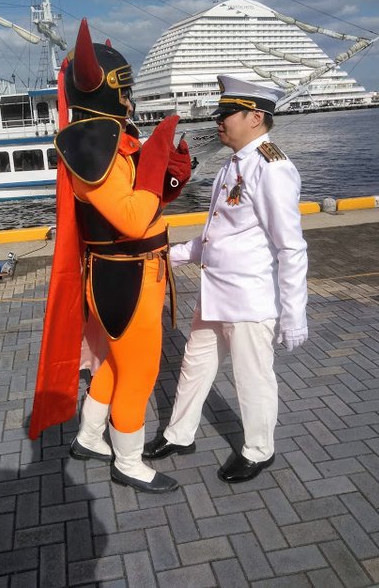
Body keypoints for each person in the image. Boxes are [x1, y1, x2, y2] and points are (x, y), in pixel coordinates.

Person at [29, 18, 191, 494]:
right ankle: (129, 461)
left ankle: (88, 437)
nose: (129, 100)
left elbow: (145, 201)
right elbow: (133, 219)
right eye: (123, 90)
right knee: (139, 371)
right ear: (101, 91)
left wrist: (168, 174)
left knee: (117, 365)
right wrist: (155, 158)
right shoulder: (90, 146)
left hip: (132, 274)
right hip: (126, 279)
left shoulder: (111, 138)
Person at [144, 75, 308, 483]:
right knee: (194, 365)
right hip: (216, 294)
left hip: (249, 299)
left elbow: (290, 247)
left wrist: (294, 315)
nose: (219, 121)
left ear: (255, 117)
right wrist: (170, 254)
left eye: (227, 114)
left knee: (252, 378)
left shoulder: (272, 168)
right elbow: (218, 235)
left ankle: (258, 450)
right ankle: (179, 434)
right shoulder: (232, 165)